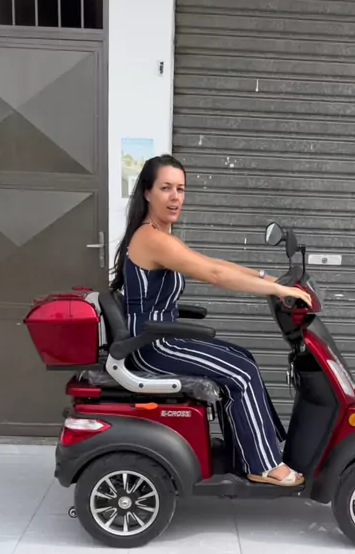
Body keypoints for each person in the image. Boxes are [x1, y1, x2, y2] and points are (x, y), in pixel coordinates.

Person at [110, 154, 312, 487]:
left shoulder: (162, 236)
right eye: (165, 188)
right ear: (147, 192)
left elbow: (214, 263)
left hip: (162, 337)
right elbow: (214, 275)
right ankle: (262, 465)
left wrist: (269, 278)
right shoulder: (151, 238)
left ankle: (249, 450)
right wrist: (276, 290)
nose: (175, 197)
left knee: (243, 358)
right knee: (241, 372)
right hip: (154, 344)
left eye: (181, 189)